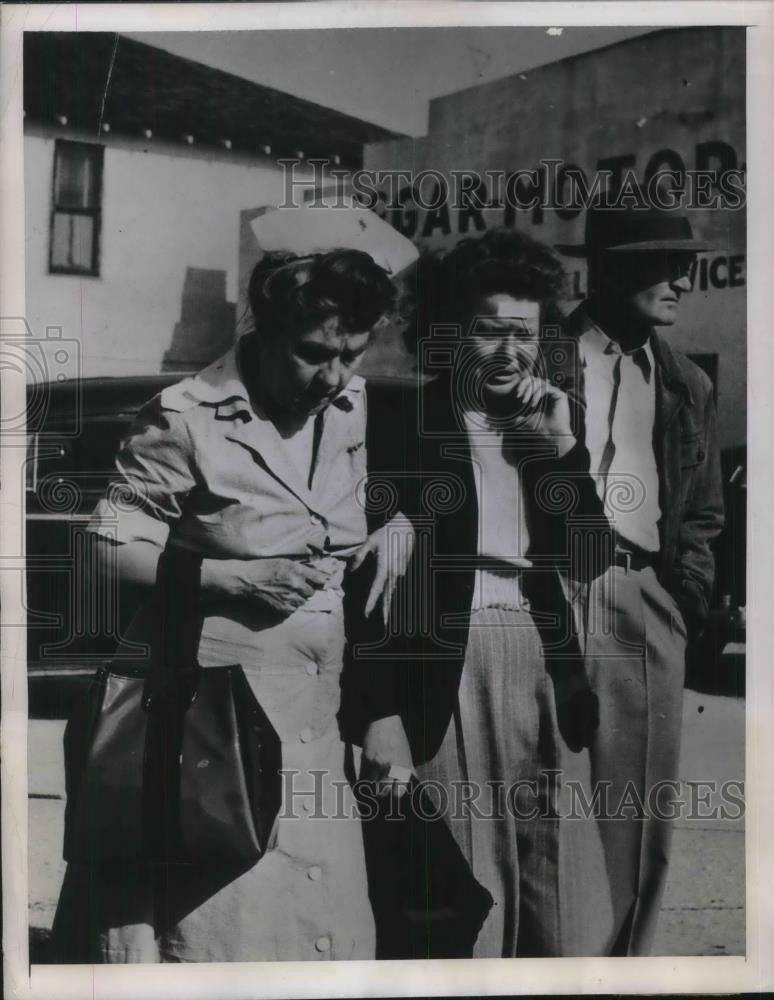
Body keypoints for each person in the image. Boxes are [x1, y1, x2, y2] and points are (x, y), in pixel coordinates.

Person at [51, 204, 418, 963]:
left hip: (319, 725)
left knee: (321, 938)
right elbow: (102, 549)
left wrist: (396, 521)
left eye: (354, 353)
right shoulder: (183, 419)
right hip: (209, 729)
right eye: (316, 353)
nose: (336, 376)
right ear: (262, 324)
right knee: (222, 939)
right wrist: (229, 579)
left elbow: (336, 518)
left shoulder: (347, 407)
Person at [346, 228, 616, 958]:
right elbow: (361, 594)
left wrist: (562, 449)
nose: (510, 351)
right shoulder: (397, 423)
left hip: (539, 663)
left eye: (524, 332)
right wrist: (378, 712)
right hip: (444, 668)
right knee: (470, 892)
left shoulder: (543, 425)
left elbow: (589, 559)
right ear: (448, 331)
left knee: (563, 900)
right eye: (489, 329)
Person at [555, 199, 724, 955]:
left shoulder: (687, 382)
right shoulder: (535, 356)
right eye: (664, 264)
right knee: (537, 797)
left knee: (635, 814)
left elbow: (703, 512)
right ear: (607, 268)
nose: (682, 281)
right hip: (541, 593)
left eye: (685, 265)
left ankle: (622, 970)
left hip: (642, 597)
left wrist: (677, 598)